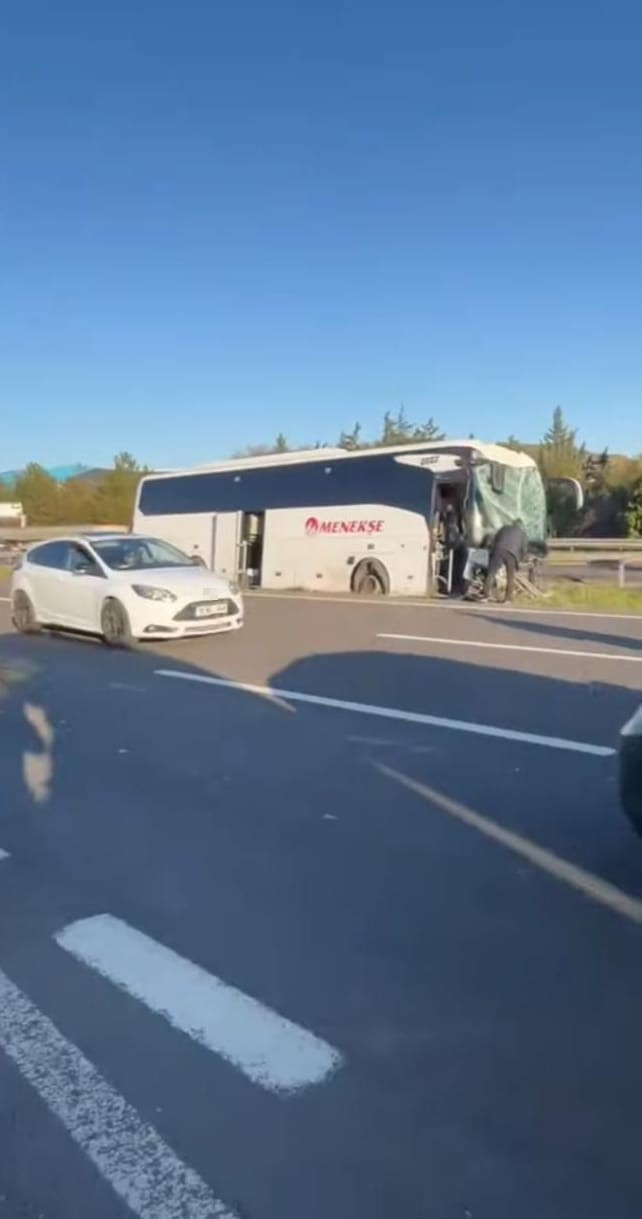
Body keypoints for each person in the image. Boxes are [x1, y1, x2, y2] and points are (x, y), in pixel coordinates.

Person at [483, 518, 528, 601]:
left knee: (491, 573)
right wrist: (522, 559)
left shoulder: (504, 528)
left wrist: (491, 551)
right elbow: (523, 548)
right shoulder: (522, 533)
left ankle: (485, 595)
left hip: (498, 550)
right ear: (521, 525)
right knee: (510, 576)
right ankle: (508, 598)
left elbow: (494, 540)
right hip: (512, 554)